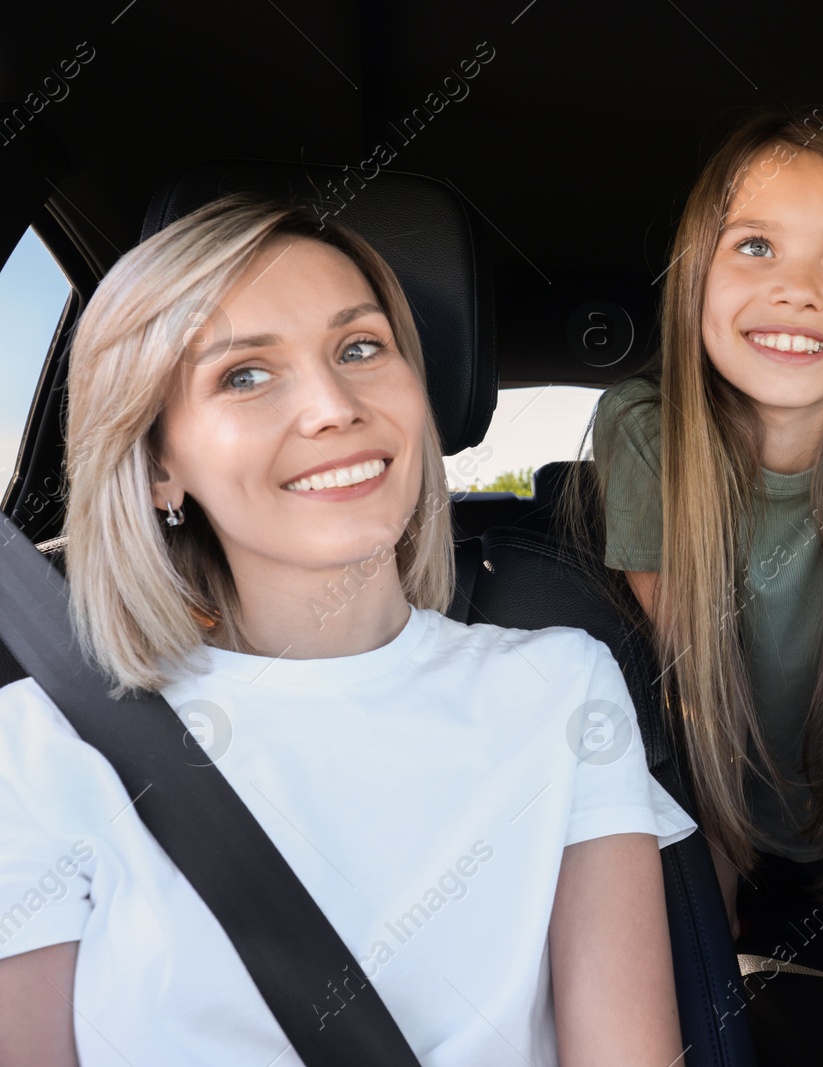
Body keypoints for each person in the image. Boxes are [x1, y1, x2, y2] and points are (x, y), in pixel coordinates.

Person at [0, 196, 695, 1067]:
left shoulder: (563, 687)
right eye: (244, 374)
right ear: (156, 465)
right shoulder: (39, 743)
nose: (333, 405)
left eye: (360, 347)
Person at [590, 109, 823, 966]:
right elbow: (693, 691)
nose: (798, 289)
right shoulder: (647, 432)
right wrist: (713, 873)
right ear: (694, 279)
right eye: (755, 246)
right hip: (709, 803)